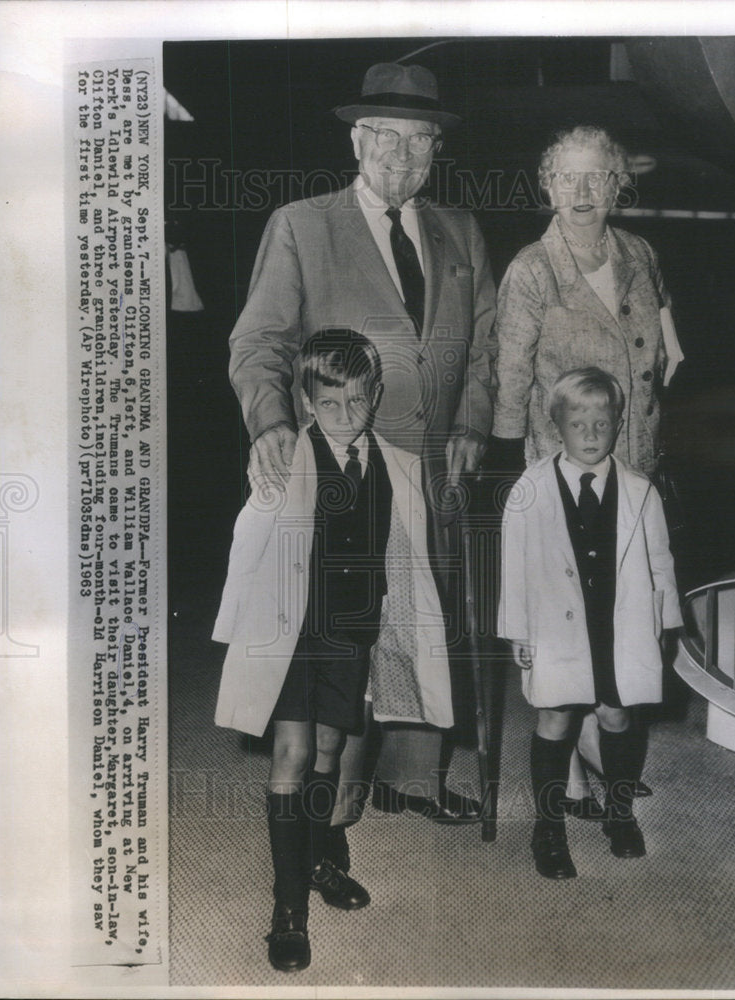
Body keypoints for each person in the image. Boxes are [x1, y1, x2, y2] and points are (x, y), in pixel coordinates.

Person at [228, 62, 497, 860]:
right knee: (343, 627)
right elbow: (259, 341)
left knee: (419, 624)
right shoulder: (302, 225)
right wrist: (270, 421)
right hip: (339, 463)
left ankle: (412, 778)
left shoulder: (460, 231)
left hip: (433, 464)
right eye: (385, 137)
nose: (403, 156)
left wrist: (474, 422)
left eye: (420, 140)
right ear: (356, 139)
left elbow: (480, 350)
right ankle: (327, 805)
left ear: (435, 149)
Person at [213, 329, 454, 970]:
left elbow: (406, 567)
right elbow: (249, 543)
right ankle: (287, 908)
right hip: (289, 634)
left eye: (356, 402)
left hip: (351, 635)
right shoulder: (284, 457)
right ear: (306, 400)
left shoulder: (399, 466)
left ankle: (319, 857)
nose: (344, 418)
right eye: (328, 404)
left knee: (328, 750)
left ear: (375, 394)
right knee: (291, 753)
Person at [489, 124, 684, 816]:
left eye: (595, 177)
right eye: (564, 178)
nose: (579, 192)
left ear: (617, 186)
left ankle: (605, 743)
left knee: (622, 619)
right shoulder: (531, 269)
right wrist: (511, 475)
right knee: (567, 627)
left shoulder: (639, 252)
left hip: (633, 469)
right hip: (560, 476)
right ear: (545, 186)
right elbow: (509, 377)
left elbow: (663, 345)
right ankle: (568, 766)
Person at [498, 367, 682, 879]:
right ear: (557, 424)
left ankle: (619, 813)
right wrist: (517, 629)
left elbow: (660, 562)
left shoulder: (641, 490)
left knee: (616, 716)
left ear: (618, 424)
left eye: (603, 423)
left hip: (620, 623)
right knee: (555, 717)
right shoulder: (529, 490)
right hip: (554, 626)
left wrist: (663, 624)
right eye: (579, 424)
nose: (592, 434)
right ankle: (548, 828)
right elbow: (513, 566)